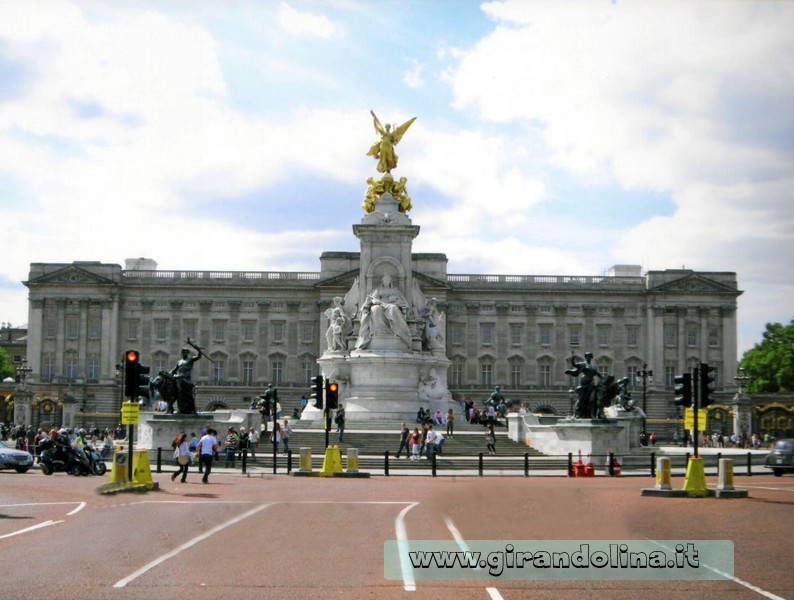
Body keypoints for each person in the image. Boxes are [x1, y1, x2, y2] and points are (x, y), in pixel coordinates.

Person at [564, 352, 601, 419]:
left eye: (589, 356)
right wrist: (573, 358)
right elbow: (574, 364)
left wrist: (605, 379)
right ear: (585, 357)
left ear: (591, 357)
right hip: (584, 383)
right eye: (587, 356)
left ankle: (592, 414)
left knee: (593, 398)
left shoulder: (593, 366)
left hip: (592, 383)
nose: (588, 357)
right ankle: (578, 411)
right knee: (582, 398)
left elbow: (598, 374)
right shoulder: (583, 364)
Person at [170, 344, 204, 414]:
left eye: (185, 352)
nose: (183, 353)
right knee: (179, 395)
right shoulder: (179, 362)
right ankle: (180, 409)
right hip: (179, 380)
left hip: (186, 380)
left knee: (187, 395)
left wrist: (197, 349)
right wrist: (168, 374)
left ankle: (192, 409)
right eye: (182, 352)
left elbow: (199, 356)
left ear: (187, 353)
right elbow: (174, 370)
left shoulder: (190, 360)